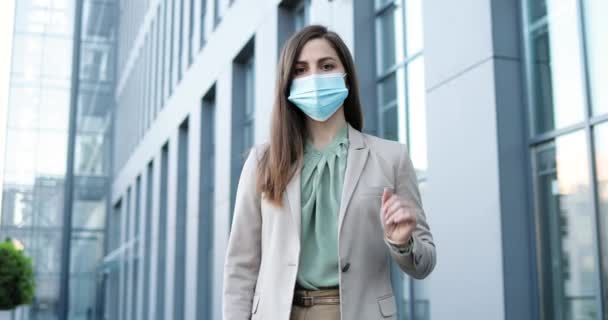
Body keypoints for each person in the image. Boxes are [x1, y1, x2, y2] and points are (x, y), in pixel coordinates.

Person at [223, 25, 436, 320]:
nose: (315, 77)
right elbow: (241, 264)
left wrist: (402, 243)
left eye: (327, 66)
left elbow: (424, 262)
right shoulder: (263, 161)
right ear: (287, 83)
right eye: (301, 69)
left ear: (345, 75)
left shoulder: (391, 157)